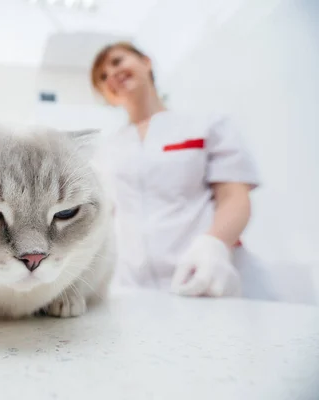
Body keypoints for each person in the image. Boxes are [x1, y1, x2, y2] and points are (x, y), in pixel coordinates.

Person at [90, 41, 262, 298]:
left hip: (204, 277)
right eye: (103, 77)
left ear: (146, 62)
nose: (112, 74)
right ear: (107, 96)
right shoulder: (106, 150)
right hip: (131, 288)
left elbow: (234, 196)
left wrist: (213, 245)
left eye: (117, 61)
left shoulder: (207, 125)